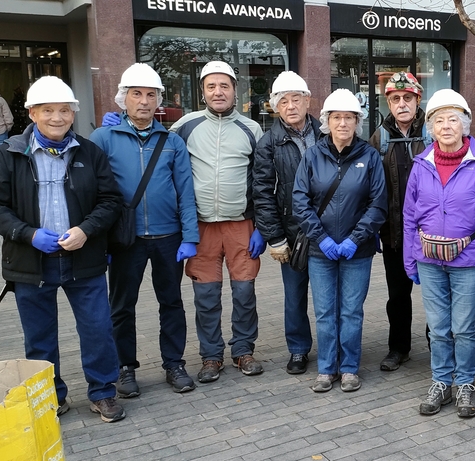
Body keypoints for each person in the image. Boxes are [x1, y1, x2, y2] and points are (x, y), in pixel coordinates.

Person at [0, 76, 126, 422]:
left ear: (73, 113)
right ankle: (50, 397)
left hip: (83, 258)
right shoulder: (10, 154)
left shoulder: (90, 152)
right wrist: (27, 234)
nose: (57, 118)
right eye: (48, 110)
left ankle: (103, 392)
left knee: (97, 330)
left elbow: (110, 201)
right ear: (32, 113)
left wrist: (86, 230)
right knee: (40, 338)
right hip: (31, 263)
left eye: (64, 110)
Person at [92, 63, 199, 397]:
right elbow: (93, 193)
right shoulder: (103, 139)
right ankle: (124, 368)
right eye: (136, 94)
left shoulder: (171, 141)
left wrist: (190, 236)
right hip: (126, 239)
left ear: (158, 101)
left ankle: (174, 364)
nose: (143, 101)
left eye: (150, 95)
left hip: (169, 238)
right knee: (122, 306)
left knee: (172, 302)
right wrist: (100, 242)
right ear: (123, 99)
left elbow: (185, 191)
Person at [404, 89, 475, 418]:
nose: (446, 126)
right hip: (429, 259)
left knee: (463, 327)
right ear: (430, 128)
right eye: (438, 121)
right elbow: (409, 216)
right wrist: (409, 258)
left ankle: (464, 384)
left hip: (469, 260)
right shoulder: (421, 164)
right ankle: (440, 382)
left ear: (464, 125)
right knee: (437, 327)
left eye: (452, 119)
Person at [170, 61, 267, 383]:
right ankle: (211, 356)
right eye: (211, 86)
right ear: (202, 92)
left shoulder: (251, 129)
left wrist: (262, 228)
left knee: (244, 292)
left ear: (235, 91)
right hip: (200, 228)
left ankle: (243, 350)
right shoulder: (186, 126)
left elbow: (264, 181)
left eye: (224, 86)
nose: (218, 92)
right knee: (206, 297)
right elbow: (158, 151)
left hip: (241, 225)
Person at [293, 88, 387, 393]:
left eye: (349, 117)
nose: (343, 123)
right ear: (327, 121)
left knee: (351, 311)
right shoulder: (312, 155)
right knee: (324, 312)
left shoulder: (369, 156)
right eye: (337, 117)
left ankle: (348, 368)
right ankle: (326, 368)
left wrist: (355, 239)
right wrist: (321, 239)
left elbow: (378, 205)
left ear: (357, 121)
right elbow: (300, 201)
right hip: (320, 251)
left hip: (357, 251)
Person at [253, 71, 324, 375]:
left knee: (327, 296)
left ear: (308, 101)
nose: (291, 106)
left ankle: (331, 347)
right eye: (284, 101)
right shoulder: (269, 142)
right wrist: (275, 237)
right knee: (294, 296)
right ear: (275, 106)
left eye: (296, 99)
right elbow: (262, 192)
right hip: (292, 232)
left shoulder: (326, 132)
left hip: (325, 230)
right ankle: (298, 349)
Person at [368, 71, 429, 372]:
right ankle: (399, 348)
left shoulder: (433, 132)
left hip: (431, 234)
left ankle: (439, 346)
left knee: (435, 294)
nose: (401, 104)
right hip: (394, 233)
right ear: (388, 103)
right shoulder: (379, 138)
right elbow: (371, 186)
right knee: (397, 296)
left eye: (407, 98)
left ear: (418, 100)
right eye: (395, 99)